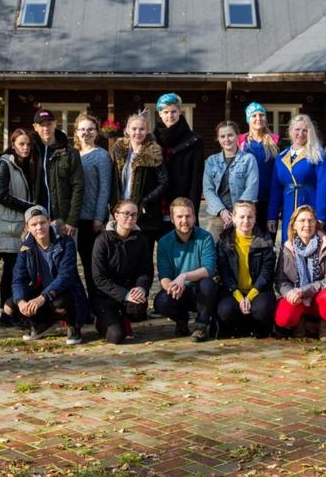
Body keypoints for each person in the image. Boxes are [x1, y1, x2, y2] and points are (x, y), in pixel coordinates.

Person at [6, 205, 89, 344]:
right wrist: (21, 302)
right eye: (34, 224)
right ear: (28, 227)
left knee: (60, 302)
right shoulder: (25, 248)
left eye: (42, 222)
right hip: (42, 293)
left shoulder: (66, 242)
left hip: (65, 293)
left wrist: (41, 298)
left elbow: (66, 277)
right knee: (10, 306)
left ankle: (73, 326)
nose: (39, 227)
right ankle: (40, 324)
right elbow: (18, 279)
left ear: (49, 221)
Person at [274, 205, 326, 342]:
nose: (307, 224)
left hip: (320, 296)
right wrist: (290, 293)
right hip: (299, 299)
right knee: (283, 318)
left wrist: (303, 290)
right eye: (302, 221)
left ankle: (325, 326)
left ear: (316, 224)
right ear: (294, 225)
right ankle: (302, 323)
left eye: (311, 220)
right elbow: (280, 280)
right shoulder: (287, 248)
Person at [153, 197, 218, 342]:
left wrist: (184, 276)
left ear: (194, 217)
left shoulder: (205, 238)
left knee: (208, 284)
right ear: (172, 219)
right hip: (179, 292)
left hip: (200, 292)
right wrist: (172, 287)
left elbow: (209, 269)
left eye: (188, 216)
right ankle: (181, 320)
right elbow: (164, 275)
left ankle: (201, 325)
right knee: (160, 301)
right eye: (180, 216)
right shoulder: (164, 242)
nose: (184, 220)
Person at [91, 200, 154, 344]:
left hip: (131, 293)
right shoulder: (102, 240)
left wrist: (141, 288)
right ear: (116, 215)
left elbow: (146, 270)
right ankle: (101, 322)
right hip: (106, 297)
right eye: (126, 214)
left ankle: (124, 318)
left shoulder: (141, 239)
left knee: (139, 310)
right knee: (116, 337)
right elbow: (99, 278)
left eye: (134, 215)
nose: (130, 218)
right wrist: (124, 295)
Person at [215, 201, 276, 338]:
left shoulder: (265, 240)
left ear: (255, 219)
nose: (246, 221)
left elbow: (266, 273)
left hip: (258, 291)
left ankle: (256, 325)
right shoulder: (224, 241)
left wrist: (249, 297)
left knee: (262, 309)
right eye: (241, 217)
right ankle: (238, 325)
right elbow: (224, 273)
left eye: (250, 217)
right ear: (234, 218)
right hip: (233, 291)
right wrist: (238, 296)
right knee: (226, 311)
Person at [267, 114, 326, 245]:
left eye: (305, 130)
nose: (300, 133)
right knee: (289, 245)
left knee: (310, 247)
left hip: (309, 206)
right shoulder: (281, 157)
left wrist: (321, 217)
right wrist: (272, 216)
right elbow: (276, 189)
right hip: (288, 209)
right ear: (290, 131)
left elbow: (324, 187)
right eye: (297, 129)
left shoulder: (318, 155)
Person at [0, 128, 35, 326]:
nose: (25, 148)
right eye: (21, 144)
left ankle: (16, 311)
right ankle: (6, 313)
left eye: (28, 144)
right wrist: (30, 207)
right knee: (10, 270)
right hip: (8, 225)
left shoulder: (24, 165)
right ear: (13, 145)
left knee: (20, 270)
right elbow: (2, 194)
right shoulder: (5, 164)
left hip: (20, 225)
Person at [110, 112, 169, 249]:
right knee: (124, 253)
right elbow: (115, 181)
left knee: (143, 255)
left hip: (145, 214)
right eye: (134, 129)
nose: (138, 132)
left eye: (142, 129)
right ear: (127, 130)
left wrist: (145, 201)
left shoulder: (153, 152)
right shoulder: (119, 151)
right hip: (123, 211)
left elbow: (164, 182)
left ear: (147, 131)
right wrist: (113, 205)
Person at [75, 113, 113, 300]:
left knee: (93, 265)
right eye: (82, 129)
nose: (86, 132)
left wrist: (99, 217)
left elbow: (105, 188)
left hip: (92, 219)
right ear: (76, 132)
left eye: (90, 129)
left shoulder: (101, 156)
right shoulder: (73, 154)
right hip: (74, 219)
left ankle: (98, 303)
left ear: (96, 132)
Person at [153, 93, 204, 231]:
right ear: (160, 114)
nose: (170, 116)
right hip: (157, 203)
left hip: (183, 203)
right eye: (166, 112)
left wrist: (192, 211)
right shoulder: (152, 139)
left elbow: (196, 180)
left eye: (174, 111)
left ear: (180, 112)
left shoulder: (194, 141)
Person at [31, 108, 84, 238]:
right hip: (37, 220)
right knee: (40, 258)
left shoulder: (71, 153)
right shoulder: (31, 151)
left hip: (63, 220)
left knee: (65, 257)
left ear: (55, 124)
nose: (46, 128)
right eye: (41, 125)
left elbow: (79, 187)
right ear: (35, 127)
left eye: (49, 124)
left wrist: (72, 220)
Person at [203, 120, 259, 240]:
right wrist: (222, 211)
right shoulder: (211, 161)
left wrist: (237, 212)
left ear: (237, 136)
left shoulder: (249, 159)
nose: (226, 139)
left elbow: (252, 187)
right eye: (222, 136)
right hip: (217, 214)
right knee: (211, 247)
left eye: (230, 135)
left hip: (243, 216)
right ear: (218, 138)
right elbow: (208, 189)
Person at [239, 102, 280, 241]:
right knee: (247, 240)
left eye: (261, 115)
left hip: (268, 199)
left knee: (268, 241)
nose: (258, 118)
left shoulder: (275, 141)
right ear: (248, 119)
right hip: (246, 200)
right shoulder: (241, 142)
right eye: (254, 115)